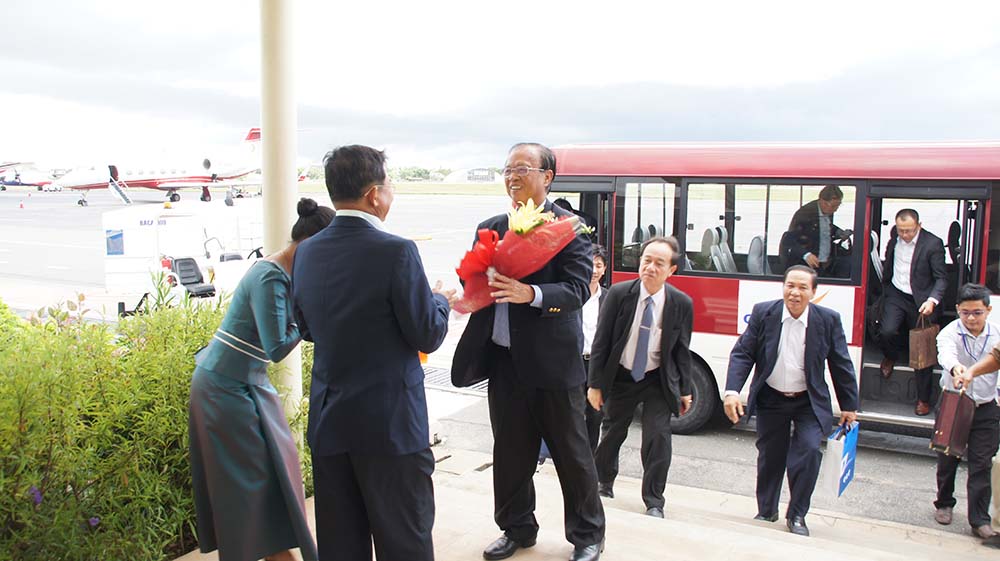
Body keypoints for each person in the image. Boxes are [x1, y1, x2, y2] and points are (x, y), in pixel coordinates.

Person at [293, 146, 456, 561]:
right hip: (391, 428)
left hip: (331, 424)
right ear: (373, 194)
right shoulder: (396, 251)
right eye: (389, 185)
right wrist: (440, 299)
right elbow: (428, 333)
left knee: (341, 543)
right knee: (405, 539)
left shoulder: (307, 251)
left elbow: (307, 327)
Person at [452, 142, 605, 561]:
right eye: (507, 169)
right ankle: (517, 527)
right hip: (504, 362)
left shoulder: (570, 228)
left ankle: (588, 534)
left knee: (572, 456)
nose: (512, 177)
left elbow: (576, 289)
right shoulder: (491, 226)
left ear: (547, 176)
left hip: (554, 365)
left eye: (522, 168)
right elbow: (478, 285)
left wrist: (531, 293)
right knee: (511, 452)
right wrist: (466, 289)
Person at [188, 197, 334, 561]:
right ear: (309, 245)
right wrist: (315, 315)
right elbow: (276, 347)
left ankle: (277, 551)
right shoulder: (271, 276)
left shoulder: (279, 271)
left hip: (245, 384)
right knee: (252, 487)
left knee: (270, 479)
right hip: (226, 388)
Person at [723, 265, 858, 537]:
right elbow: (743, 353)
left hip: (808, 400)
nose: (795, 293)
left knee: (807, 453)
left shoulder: (828, 320)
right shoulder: (765, 313)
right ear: (783, 287)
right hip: (772, 396)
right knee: (770, 456)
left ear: (813, 292)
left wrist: (849, 406)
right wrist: (732, 391)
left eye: (802, 288)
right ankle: (767, 510)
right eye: (790, 286)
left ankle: (797, 514)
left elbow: (841, 364)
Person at [587, 236, 693, 518]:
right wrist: (595, 385)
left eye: (659, 263)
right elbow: (602, 342)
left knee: (658, 437)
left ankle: (654, 500)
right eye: (647, 260)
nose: (650, 267)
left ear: (671, 270)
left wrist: (685, 389)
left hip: (657, 379)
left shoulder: (681, 303)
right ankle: (604, 481)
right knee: (612, 432)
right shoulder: (620, 295)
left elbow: (682, 351)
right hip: (622, 375)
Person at [539, 244, 609, 464]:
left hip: (596, 365)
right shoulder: (570, 294)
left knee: (595, 416)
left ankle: (588, 461)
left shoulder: (609, 298)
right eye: (590, 265)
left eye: (599, 266)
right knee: (570, 414)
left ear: (605, 269)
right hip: (571, 362)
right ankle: (570, 460)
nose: (594, 270)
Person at [941, 285, 1000, 541]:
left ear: (988, 310)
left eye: (977, 312)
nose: (971, 318)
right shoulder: (949, 332)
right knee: (947, 456)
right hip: (954, 402)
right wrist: (957, 370)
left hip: (986, 405)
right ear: (957, 311)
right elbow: (947, 355)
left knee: (982, 464)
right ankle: (944, 503)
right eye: (965, 313)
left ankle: (979, 519)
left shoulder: (997, 334)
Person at [878, 208, 948, 416]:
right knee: (886, 331)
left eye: (908, 231)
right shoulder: (894, 240)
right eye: (900, 230)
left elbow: (942, 278)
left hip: (922, 300)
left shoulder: (932, 244)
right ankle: (891, 356)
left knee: (922, 350)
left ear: (919, 225)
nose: (904, 235)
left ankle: (923, 399)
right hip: (897, 294)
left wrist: (932, 301)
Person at [780, 185, 852, 277]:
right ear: (822, 201)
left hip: (823, 264)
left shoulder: (827, 212)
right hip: (804, 267)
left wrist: (839, 233)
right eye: (833, 206)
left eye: (838, 205)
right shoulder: (805, 214)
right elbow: (788, 239)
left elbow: (825, 227)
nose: (835, 209)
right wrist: (806, 255)